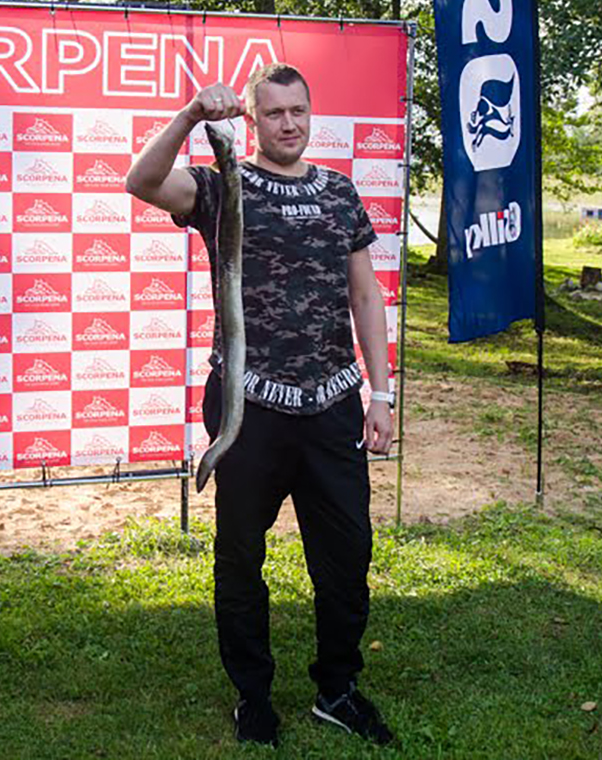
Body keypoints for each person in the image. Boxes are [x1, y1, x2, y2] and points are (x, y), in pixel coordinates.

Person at [125, 62, 396, 748]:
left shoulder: (339, 191)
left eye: (298, 111)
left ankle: (337, 689)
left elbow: (365, 293)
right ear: (251, 118)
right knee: (241, 558)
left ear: (310, 113)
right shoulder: (222, 186)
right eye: (273, 112)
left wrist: (381, 392)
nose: (288, 123)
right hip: (248, 407)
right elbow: (142, 181)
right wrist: (191, 115)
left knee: (348, 556)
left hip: (333, 404)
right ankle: (254, 696)